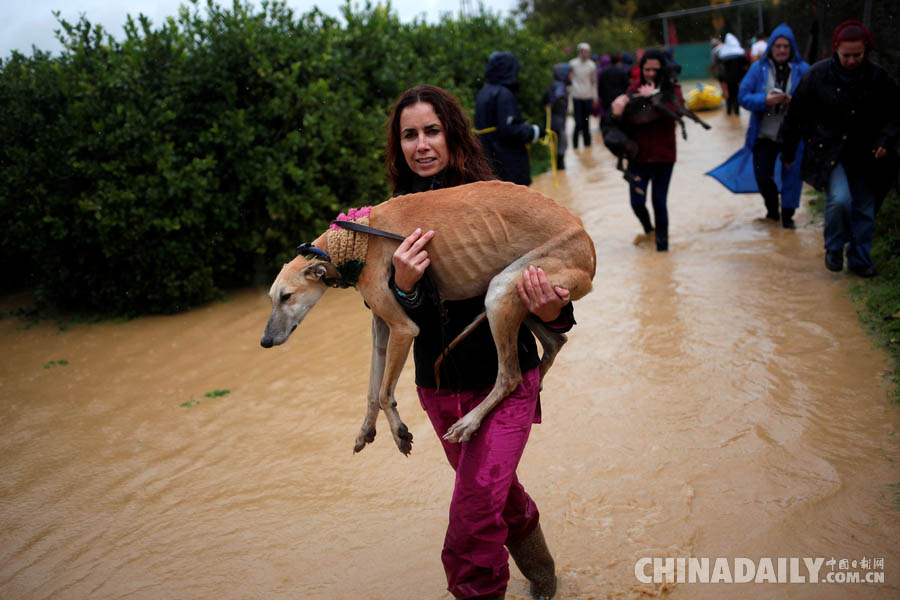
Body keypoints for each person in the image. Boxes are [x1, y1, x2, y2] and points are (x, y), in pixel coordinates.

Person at [386, 84, 574, 599]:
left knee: (472, 512)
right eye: (410, 135)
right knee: (496, 495)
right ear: (398, 145)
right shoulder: (388, 220)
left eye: (432, 131)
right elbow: (389, 320)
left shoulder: (498, 201)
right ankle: (543, 574)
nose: (422, 145)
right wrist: (402, 285)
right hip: (440, 391)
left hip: (506, 387)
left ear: (453, 136)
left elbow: (561, 314)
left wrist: (551, 308)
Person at [780, 20, 900, 277]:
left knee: (865, 210)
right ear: (835, 49)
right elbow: (796, 115)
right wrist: (787, 151)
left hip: (867, 154)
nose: (852, 60)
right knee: (840, 200)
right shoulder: (817, 75)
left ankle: (859, 260)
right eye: (846, 55)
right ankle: (834, 247)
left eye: (858, 55)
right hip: (828, 153)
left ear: (866, 51)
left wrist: (885, 141)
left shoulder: (877, 77)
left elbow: (895, 113)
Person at [707, 23, 810, 228]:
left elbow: (814, 100)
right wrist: (765, 100)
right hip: (763, 136)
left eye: (786, 47)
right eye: (778, 46)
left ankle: (788, 218)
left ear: (792, 49)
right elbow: (743, 97)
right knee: (763, 176)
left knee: (792, 178)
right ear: (771, 47)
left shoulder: (804, 70)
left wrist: (795, 102)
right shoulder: (757, 69)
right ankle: (772, 212)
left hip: (793, 137)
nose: (781, 50)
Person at [611, 49, 683, 252]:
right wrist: (617, 112)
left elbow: (679, 111)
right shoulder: (633, 89)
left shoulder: (672, 89)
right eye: (647, 69)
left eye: (655, 70)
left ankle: (662, 249)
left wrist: (657, 97)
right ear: (641, 69)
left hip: (663, 156)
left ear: (663, 69)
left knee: (659, 201)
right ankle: (649, 230)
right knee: (637, 202)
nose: (651, 73)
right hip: (638, 158)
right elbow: (620, 124)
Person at [475, 52, 544, 186]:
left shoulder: (484, 91)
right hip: (509, 161)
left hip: (491, 160)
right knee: (518, 199)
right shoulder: (503, 94)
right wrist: (535, 132)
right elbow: (510, 130)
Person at [568, 42, 599, 148]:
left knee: (587, 122)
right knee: (578, 122)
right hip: (576, 96)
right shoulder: (572, 64)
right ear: (579, 52)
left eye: (586, 52)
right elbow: (569, 79)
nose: (584, 53)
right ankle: (575, 146)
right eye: (582, 51)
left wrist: (595, 97)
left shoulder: (592, 65)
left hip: (588, 97)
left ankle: (587, 145)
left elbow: (594, 82)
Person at [543, 63, 572, 170]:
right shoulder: (560, 86)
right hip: (558, 122)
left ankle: (557, 170)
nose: (571, 76)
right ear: (564, 74)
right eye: (570, 73)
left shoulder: (553, 84)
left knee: (556, 148)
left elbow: (544, 99)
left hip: (552, 121)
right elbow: (559, 97)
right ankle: (560, 171)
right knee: (562, 148)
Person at [715, 33, 748, 115]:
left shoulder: (723, 53)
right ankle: (736, 112)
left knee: (728, 95)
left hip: (727, 79)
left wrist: (722, 79)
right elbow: (745, 65)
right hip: (737, 79)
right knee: (736, 94)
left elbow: (720, 68)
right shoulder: (739, 52)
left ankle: (729, 111)